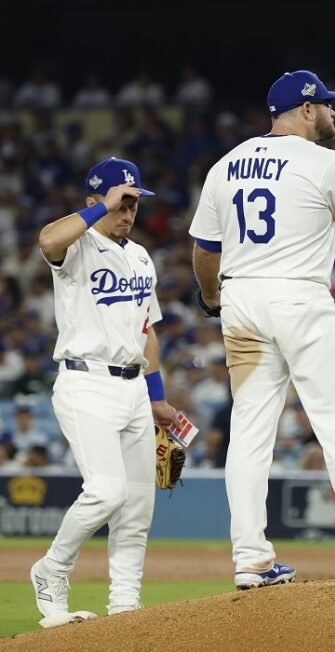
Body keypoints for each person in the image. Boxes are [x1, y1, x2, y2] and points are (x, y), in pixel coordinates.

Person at [188, 70, 335, 587]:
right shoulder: (326, 161)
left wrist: (212, 299)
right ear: (305, 109)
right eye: (326, 104)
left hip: (240, 299)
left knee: (249, 435)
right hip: (298, 294)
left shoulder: (224, 165)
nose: (333, 112)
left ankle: (251, 558)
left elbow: (205, 250)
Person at [30, 158, 178, 627]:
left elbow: (147, 330)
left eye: (134, 203)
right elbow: (47, 240)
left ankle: (125, 608)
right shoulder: (77, 245)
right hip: (85, 381)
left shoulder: (139, 256)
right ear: (95, 201)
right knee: (107, 491)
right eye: (122, 201)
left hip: (134, 388)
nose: (129, 212)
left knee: (137, 507)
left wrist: (155, 395)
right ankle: (51, 569)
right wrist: (99, 210)